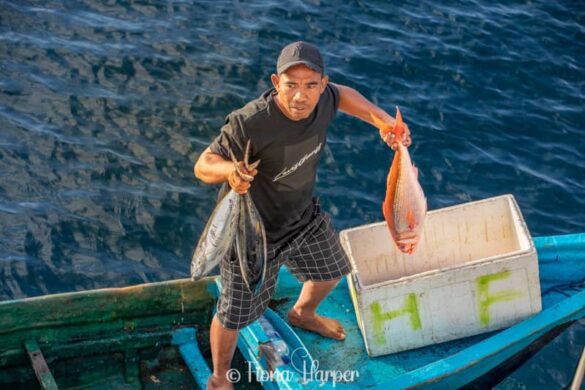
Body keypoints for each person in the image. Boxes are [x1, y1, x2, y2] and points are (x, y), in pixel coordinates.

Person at [194, 41, 411, 389]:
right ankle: (220, 377)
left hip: (301, 216)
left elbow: (344, 95)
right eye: (290, 84)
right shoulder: (251, 122)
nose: (300, 95)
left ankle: (303, 313)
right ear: (275, 82)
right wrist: (231, 170)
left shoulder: (326, 99)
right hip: (251, 233)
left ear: (322, 85)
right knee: (234, 314)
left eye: (310, 85)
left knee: (331, 271)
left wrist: (383, 121)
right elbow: (203, 165)